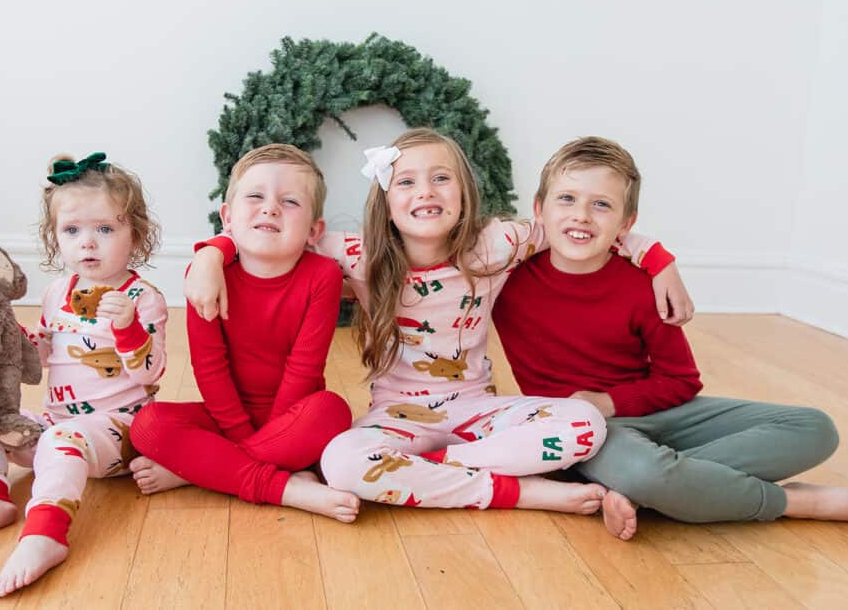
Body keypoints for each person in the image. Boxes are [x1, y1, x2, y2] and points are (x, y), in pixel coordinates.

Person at [186, 128, 692, 513]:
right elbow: (274, 232)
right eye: (406, 181)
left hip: (477, 412)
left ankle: (439, 470)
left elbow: (578, 223)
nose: (424, 191)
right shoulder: (358, 255)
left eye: (440, 178)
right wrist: (213, 251)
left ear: (464, 192)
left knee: (585, 423)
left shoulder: (498, 243)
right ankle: (515, 492)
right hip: (398, 416)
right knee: (340, 461)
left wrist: (659, 261)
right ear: (387, 201)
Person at [493, 136, 848, 539]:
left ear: (626, 223)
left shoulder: (644, 286)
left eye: (601, 204)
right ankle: (799, 503)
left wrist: (609, 401)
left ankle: (650, 491)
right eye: (566, 199)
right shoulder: (504, 280)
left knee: (816, 428)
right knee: (644, 471)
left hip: (659, 414)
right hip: (584, 428)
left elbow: (682, 381)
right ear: (538, 210)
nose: (582, 215)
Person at [0, 153, 168, 597]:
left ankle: (45, 535)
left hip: (118, 431)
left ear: (134, 234)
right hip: (58, 424)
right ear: (55, 237)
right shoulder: (57, 292)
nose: (88, 243)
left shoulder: (142, 297)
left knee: (65, 441)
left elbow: (150, 371)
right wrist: (12, 340)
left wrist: (127, 326)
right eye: (72, 230)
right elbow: (42, 355)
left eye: (105, 229)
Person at [129, 144, 360, 522]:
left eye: (290, 202)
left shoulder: (323, 276)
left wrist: (235, 449)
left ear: (314, 230)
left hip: (294, 416)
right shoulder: (206, 275)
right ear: (228, 217)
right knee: (148, 426)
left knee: (332, 410)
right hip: (226, 415)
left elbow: (305, 367)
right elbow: (208, 366)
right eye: (255, 196)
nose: (270, 208)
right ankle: (284, 487)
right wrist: (240, 432)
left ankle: (201, 471)